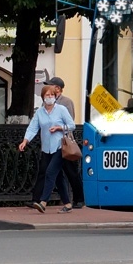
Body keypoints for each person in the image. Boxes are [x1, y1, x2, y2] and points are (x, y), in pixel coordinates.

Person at [19, 84, 75, 213]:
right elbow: (33, 127)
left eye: (52, 95)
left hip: (60, 147)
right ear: (43, 97)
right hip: (46, 148)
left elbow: (71, 125)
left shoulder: (61, 109)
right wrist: (25, 141)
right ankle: (67, 204)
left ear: (55, 96)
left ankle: (43, 202)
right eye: (47, 95)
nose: (50, 97)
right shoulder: (40, 112)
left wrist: (59, 128)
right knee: (58, 176)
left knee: (50, 172)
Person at [46, 76, 84, 208]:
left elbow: (70, 121)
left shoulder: (66, 102)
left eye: (51, 86)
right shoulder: (48, 101)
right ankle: (46, 199)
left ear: (57, 88)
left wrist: (57, 125)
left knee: (71, 172)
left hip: (65, 142)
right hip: (51, 142)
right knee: (51, 172)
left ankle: (79, 199)